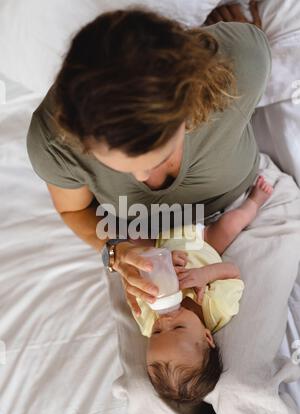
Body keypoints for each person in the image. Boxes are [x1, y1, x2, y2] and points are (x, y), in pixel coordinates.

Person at [26, 3, 270, 316]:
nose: (144, 179)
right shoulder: (53, 143)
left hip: (239, 200)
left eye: (160, 157)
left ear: (190, 104)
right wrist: (116, 250)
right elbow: (73, 209)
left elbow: (247, 56)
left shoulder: (244, 63)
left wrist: (238, 45)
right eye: (121, 167)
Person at [130, 175, 273, 405]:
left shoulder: (148, 321)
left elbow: (136, 288)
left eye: (156, 333)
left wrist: (158, 268)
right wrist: (204, 274)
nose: (165, 321)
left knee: (133, 236)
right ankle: (255, 201)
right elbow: (232, 271)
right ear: (207, 337)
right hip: (203, 242)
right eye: (177, 327)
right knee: (229, 225)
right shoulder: (217, 309)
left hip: (161, 242)